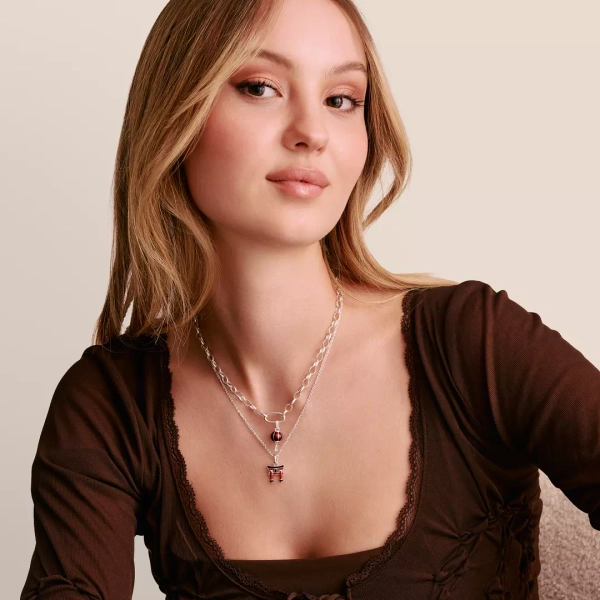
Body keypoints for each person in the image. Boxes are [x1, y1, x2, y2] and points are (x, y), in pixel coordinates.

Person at [20, 0, 600, 599]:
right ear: (176, 114)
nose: (312, 133)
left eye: (341, 99)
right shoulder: (112, 403)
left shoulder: (475, 344)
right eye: (260, 87)